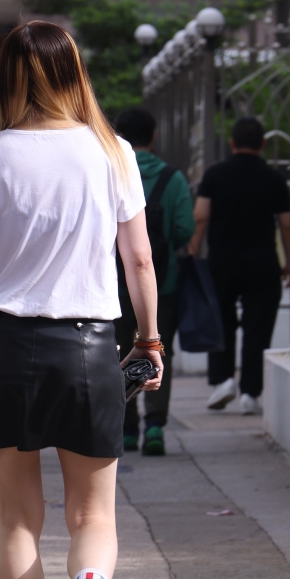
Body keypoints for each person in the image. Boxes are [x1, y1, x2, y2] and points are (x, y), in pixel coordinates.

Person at [0, 21, 163, 579]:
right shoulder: (113, 151)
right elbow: (139, 260)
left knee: (19, 522)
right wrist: (148, 340)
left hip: (8, 346)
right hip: (88, 348)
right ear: (74, 74)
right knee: (92, 515)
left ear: (8, 77)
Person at [188, 116, 290, 415]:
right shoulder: (274, 178)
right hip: (263, 261)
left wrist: (194, 252)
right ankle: (250, 392)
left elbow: (201, 216)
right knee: (258, 326)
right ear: (263, 144)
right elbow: (286, 224)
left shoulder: (215, 174)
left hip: (222, 261)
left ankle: (223, 381)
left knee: (220, 320)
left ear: (232, 143)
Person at [110, 108, 194, 456]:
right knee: (157, 348)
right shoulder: (173, 179)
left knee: (118, 351)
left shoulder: (111, 171)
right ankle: (155, 425)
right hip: (163, 283)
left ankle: (127, 428)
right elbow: (185, 228)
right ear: (154, 136)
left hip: (115, 286)